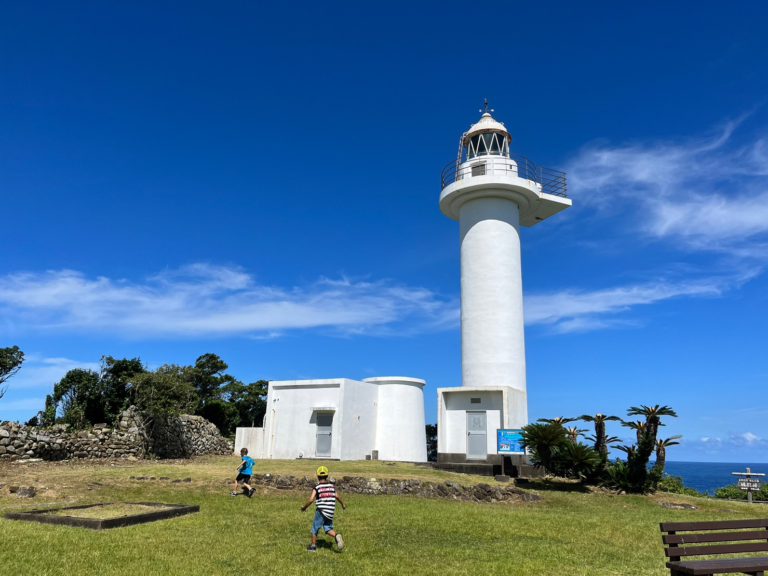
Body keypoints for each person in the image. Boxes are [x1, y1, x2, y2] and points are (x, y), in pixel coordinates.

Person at [300, 465, 346, 552]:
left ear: (317, 476)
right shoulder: (331, 487)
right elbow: (337, 496)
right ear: (327, 476)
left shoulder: (317, 487)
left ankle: (313, 547)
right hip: (330, 511)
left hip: (321, 511)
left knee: (315, 528)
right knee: (328, 528)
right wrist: (343, 504)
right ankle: (337, 536)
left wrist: (304, 507)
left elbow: (311, 500)